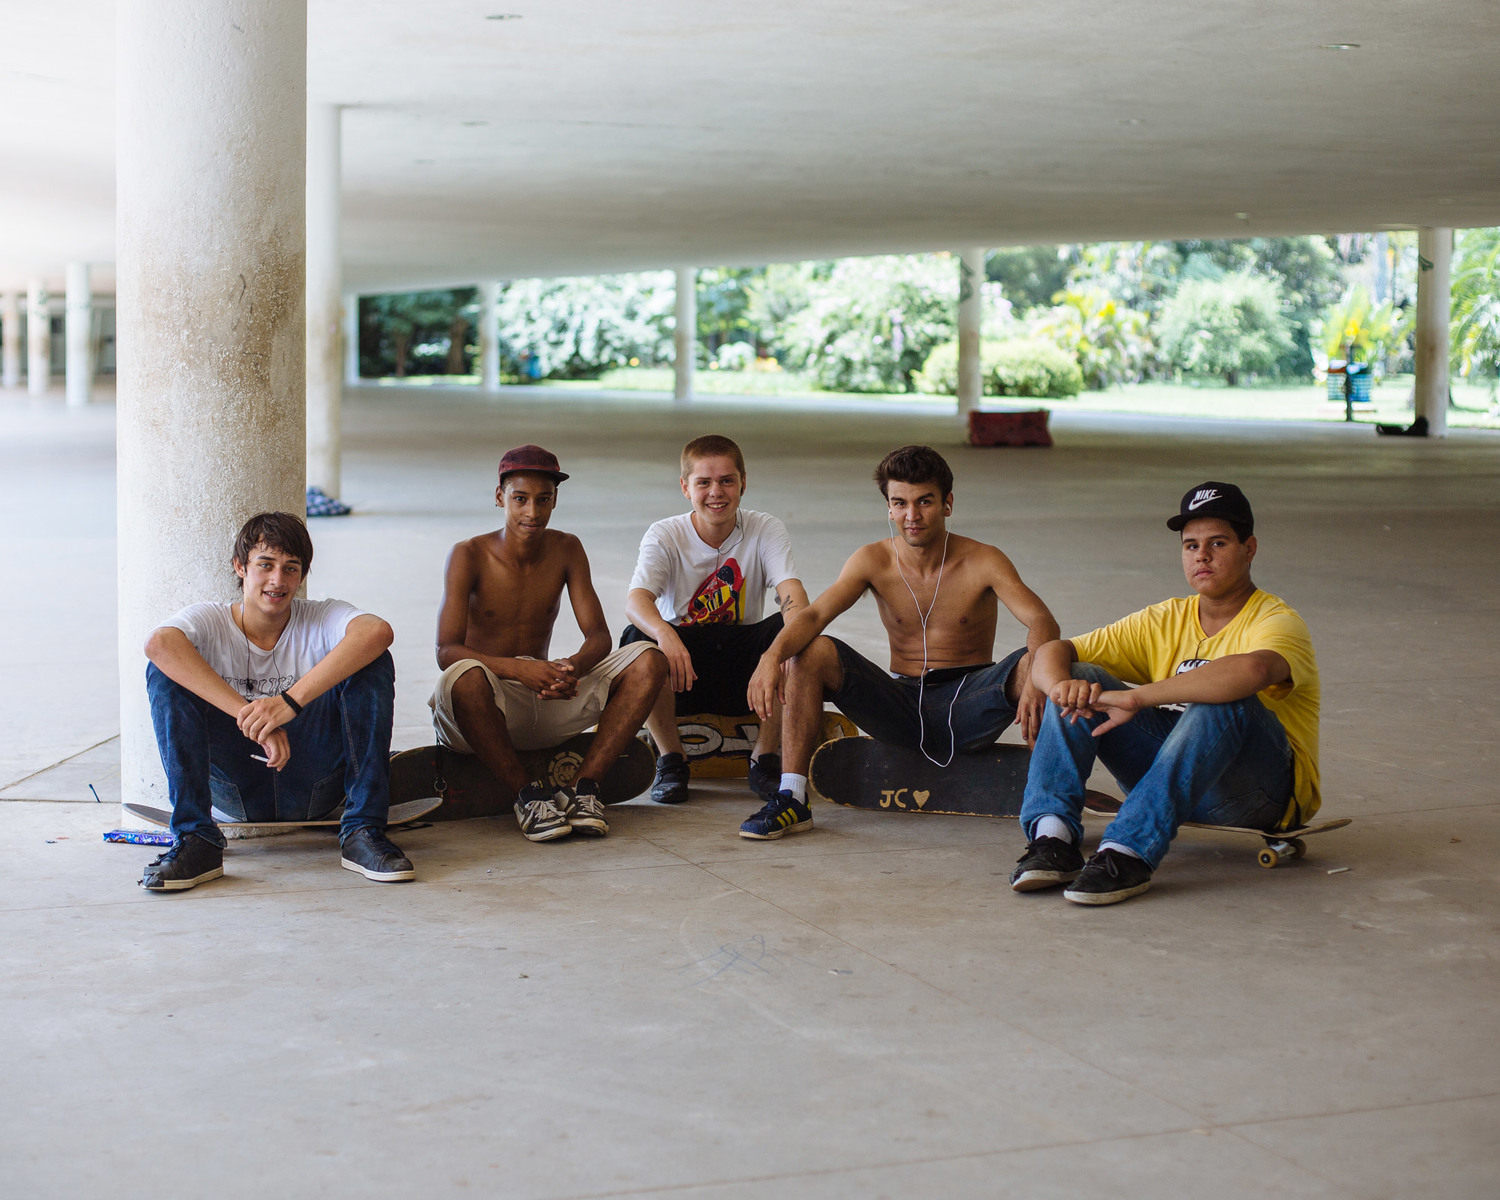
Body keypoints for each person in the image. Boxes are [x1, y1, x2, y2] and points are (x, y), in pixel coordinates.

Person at [1010, 482, 1320, 906]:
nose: (1202, 556)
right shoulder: (1165, 618)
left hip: (1256, 795)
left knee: (1227, 697)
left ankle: (1128, 850)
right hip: (1169, 781)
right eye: (1191, 545)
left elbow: (1252, 668)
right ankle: (1053, 838)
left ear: (1249, 548)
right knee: (1081, 675)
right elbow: (1054, 650)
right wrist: (1058, 686)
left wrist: (1138, 698)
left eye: (1218, 543)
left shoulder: (1278, 620)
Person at [744, 444, 1059, 839]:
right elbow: (814, 615)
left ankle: (1051, 804)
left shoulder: (984, 560)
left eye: (924, 502)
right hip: (902, 702)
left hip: (970, 702)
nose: (912, 516)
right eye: (900, 503)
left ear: (947, 503)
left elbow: (1041, 620)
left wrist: (1034, 678)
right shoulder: (872, 559)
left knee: (1042, 662)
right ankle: (791, 798)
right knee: (810, 652)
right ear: (889, 508)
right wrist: (771, 656)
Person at [140, 512, 412, 891]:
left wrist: (288, 704)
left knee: (371, 659)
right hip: (234, 786)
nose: (277, 580)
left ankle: (363, 831)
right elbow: (159, 644)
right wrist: (254, 719)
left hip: (315, 778)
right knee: (166, 672)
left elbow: (377, 631)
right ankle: (196, 838)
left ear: (302, 576)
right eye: (265, 565)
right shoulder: (210, 620)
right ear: (240, 567)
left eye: (291, 568)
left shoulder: (320, 616)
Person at [430, 445, 667, 842]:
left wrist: (568, 669)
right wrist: (520, 668)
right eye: (520, 499)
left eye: (544, 500)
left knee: (648, 660)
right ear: (499, 496)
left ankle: (584, 789)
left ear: (556, 500)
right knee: (463, 675)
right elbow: (445, 650)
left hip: (547, 699)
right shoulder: (468, 554)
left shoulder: (567, 548)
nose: (532, 513)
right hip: (487, 708)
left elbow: (599, 637)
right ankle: (528, 796)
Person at [622, 434, 809, 805]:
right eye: (703, 482)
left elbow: (795, 600)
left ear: (743, 483)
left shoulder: (765, 528)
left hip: (748, 674)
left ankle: (764, 758)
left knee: (797, 632)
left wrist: (777, 653)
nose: (716, 493)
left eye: (727, 480)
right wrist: (665, 633)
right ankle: (672, 760)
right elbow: (636, 601)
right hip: (681, 675)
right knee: (636, 639)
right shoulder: (665, 534)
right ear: (684, 487)